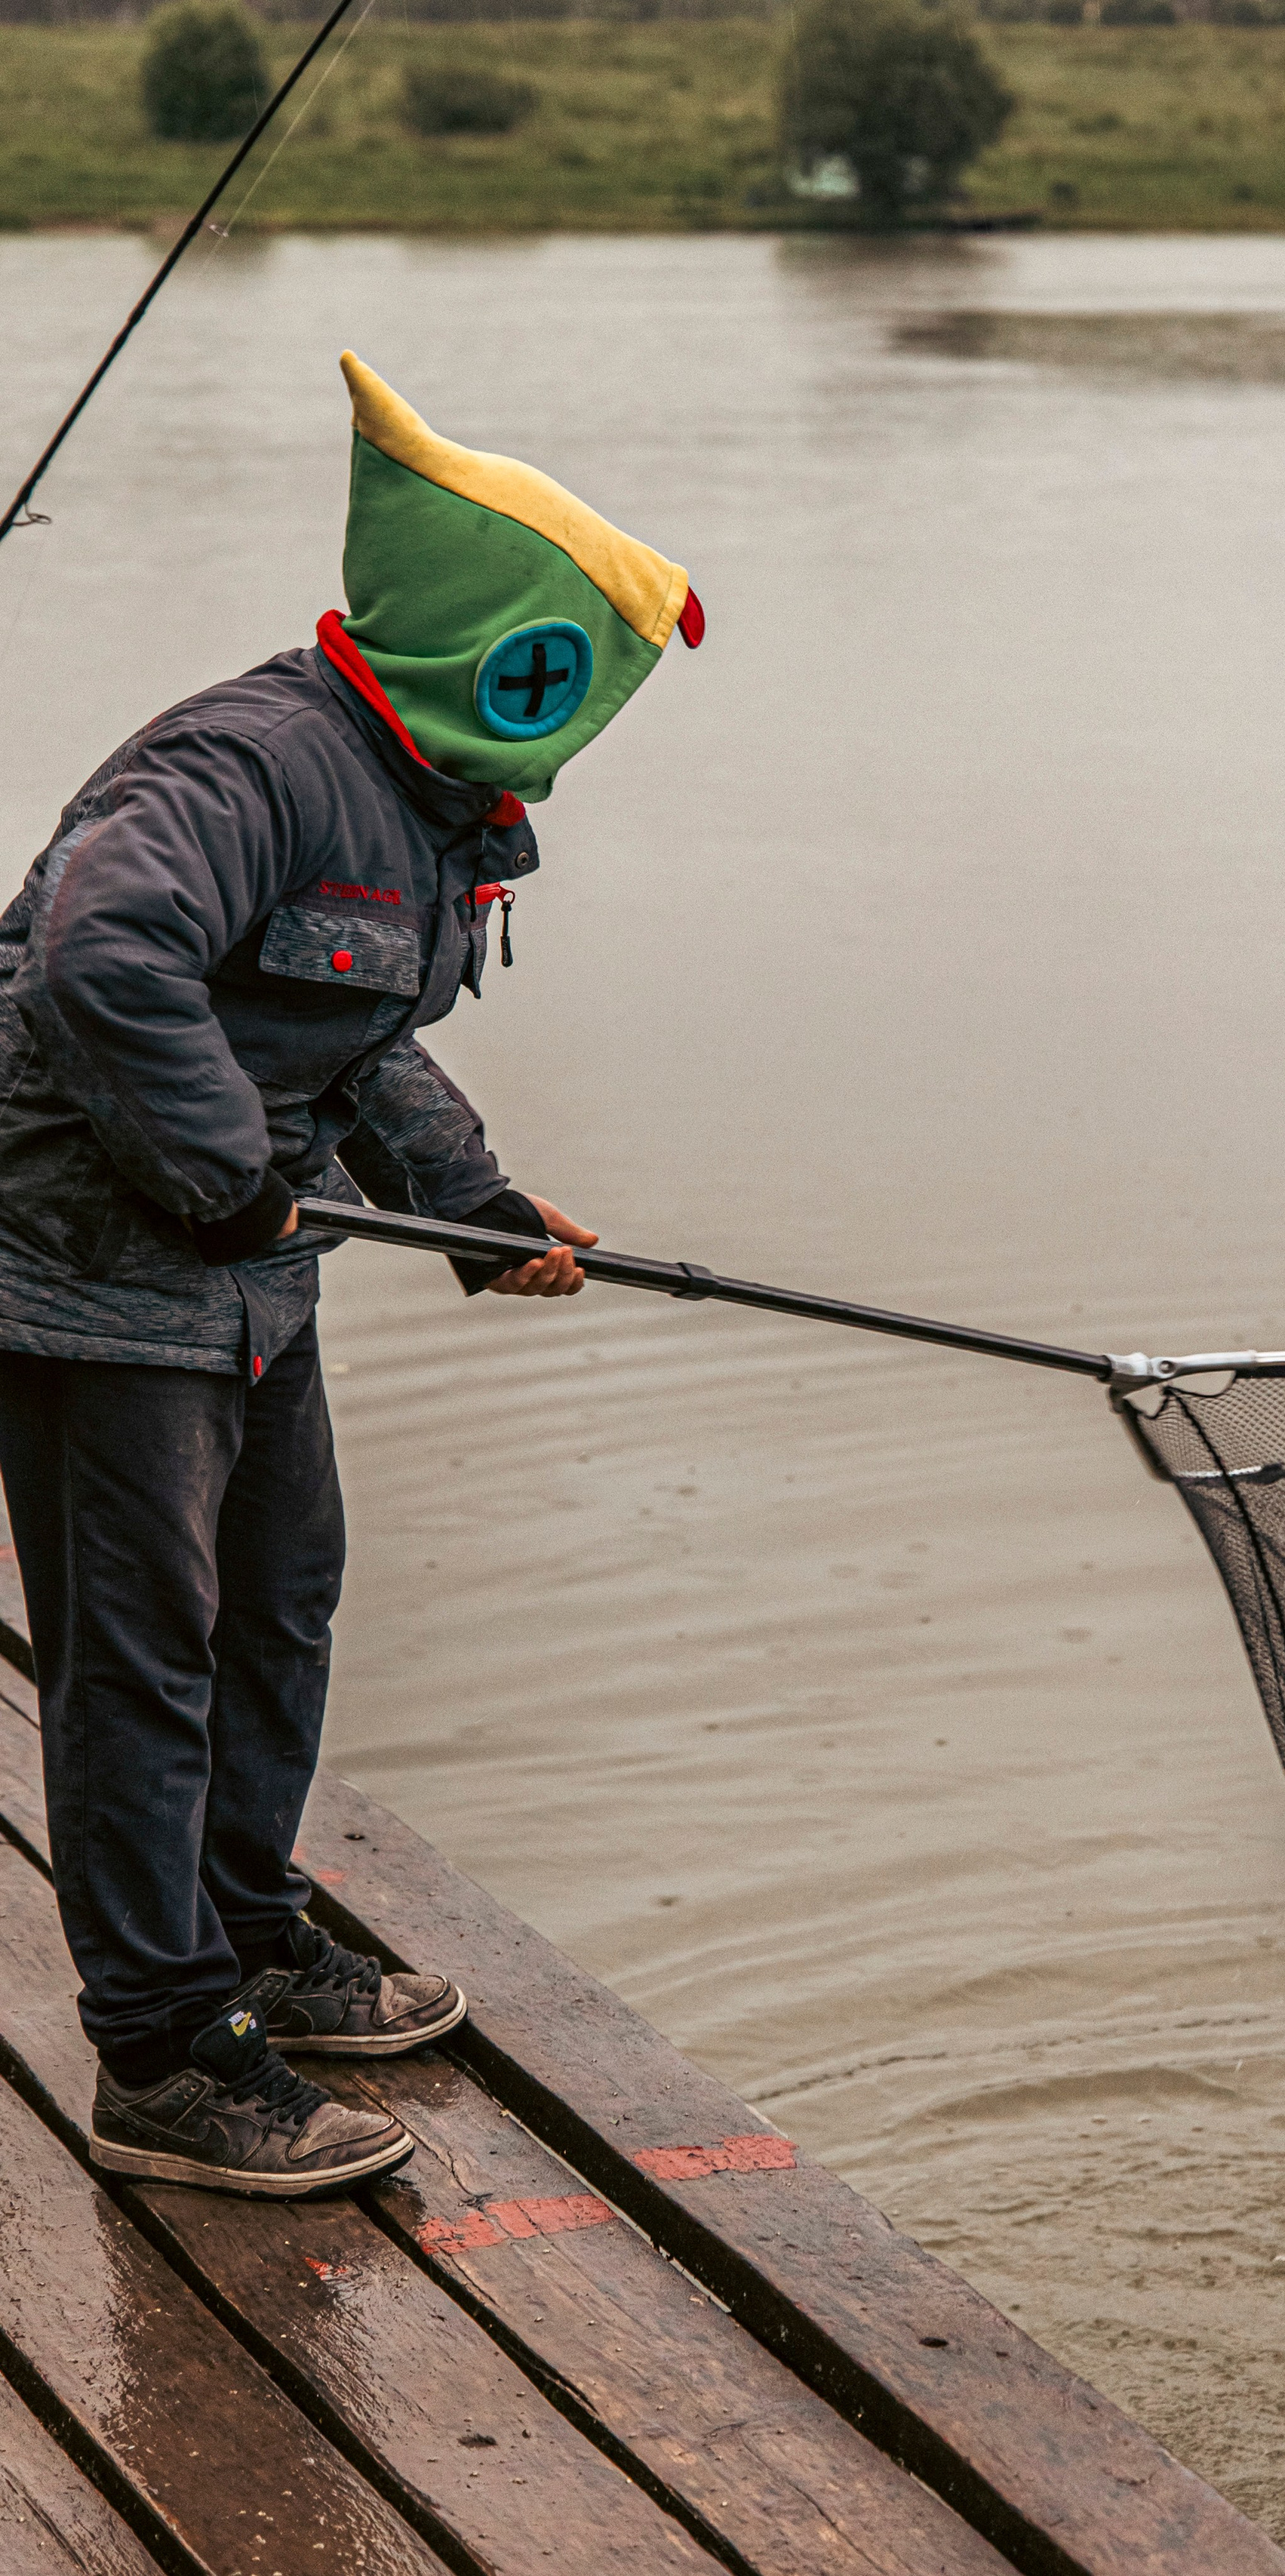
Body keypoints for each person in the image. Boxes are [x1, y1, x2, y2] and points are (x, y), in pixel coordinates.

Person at [0, 353, 701, 2197]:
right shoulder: (250, 764)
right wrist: (229, 1181)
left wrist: (475, 1207)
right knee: (140, 1660)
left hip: (251, 1277)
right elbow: (97, 960)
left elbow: (356, 1028)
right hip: (89, 1273)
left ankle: (244, 1935)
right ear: (502, 650)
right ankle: (161, 2050)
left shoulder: (424, 797)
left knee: (281, 1606)